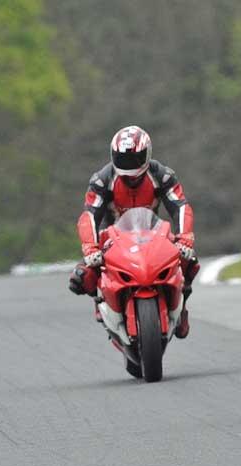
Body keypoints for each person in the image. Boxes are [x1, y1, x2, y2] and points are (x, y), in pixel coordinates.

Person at [68, 125, 198, 338]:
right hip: (112, 237)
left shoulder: (162, 175)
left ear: (147, 155)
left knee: (189, 261)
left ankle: (182, 306)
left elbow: (181, 206)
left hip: (153, 233)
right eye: (122, 158)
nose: (129, 167)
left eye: (134, 159)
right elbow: (89, 215)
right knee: (81, 277)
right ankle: (99, 300)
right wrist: (90, 248)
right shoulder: (102, 180)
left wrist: (185, 239)